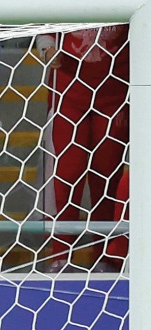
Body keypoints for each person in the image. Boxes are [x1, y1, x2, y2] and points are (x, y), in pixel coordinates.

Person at [35, 26, 128, 273]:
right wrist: (46, 49)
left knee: (107, 176)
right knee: (66, 173)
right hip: (68, 91)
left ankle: (106, 256)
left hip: (116, 90)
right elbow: (46, 25)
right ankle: (60, 256)